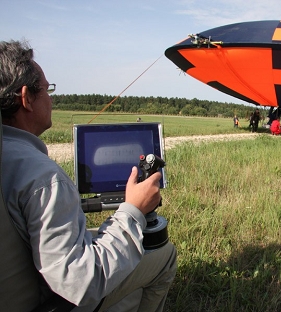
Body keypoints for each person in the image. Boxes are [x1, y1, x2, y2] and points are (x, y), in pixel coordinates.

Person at [0, 40, 177, 311]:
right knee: (164, 255)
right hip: (52, 300)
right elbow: (81, 282)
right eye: (48, 89)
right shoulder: (42, 177)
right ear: (26, 98)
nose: (51, 98)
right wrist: (133, 211)